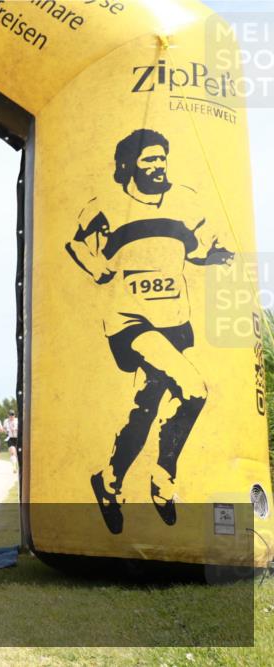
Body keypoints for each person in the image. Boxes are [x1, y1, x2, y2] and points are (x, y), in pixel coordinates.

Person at [65, 129, 233, 534]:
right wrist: (96, 267)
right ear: (128, 166)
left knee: (143, 410)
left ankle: (108, 481)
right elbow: (76, 243)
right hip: (130, 321)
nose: (158, 167)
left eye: (162, 159)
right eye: (149, 160)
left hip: (175, 320)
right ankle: (163, 477)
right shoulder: (106, 204)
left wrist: (217, 258)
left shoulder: (185, 201)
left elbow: (195, 251)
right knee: (194, 389)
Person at [4, 410, 19, 474]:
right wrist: (6, 431)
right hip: (10, 438)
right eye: (10, 415)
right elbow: (4, 428)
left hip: (17, 438)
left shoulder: (17, 420)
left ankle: (16, 465)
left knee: (16, 454)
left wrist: (15, 429)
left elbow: (21, 428)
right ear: (8, 415)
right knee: (12, 452)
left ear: (14, 415)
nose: (11, 416)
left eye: (12, 415)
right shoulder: (6, 421)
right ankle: (14, 467)